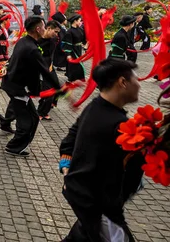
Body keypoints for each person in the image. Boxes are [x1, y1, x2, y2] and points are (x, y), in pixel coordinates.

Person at [59, 59, 143, 241]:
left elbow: (71, 137)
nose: (139, 85)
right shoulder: (118, 125)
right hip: (98, 205)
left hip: (84, 197)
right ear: (122, 82)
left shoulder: (96, 106)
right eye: (137, 79)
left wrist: (66, 163)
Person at [0, 16, 61, 156]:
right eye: (44, 27)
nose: (45, 29)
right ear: (38, 29)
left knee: (29, 115)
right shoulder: (32, 48)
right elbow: (45, 71)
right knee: (29, 118)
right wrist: (59, 88)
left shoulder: (24, 41)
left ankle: (14, 141)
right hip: (17, 88)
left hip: (13, 85)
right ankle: (14, 146)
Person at [36, 20, 62, 120]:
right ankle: (40, 112)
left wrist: (51, 63)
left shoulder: (54, 39)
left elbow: (52, 53)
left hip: (49, 66)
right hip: (40, 67)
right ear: (48, 28)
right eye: (55, 31)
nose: (56, 34)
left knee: (57, 89)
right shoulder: (37, 39)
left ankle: (46, 107)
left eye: (58, 32)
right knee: (48, 92)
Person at [63, 14, 86, 82]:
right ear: (75, 21)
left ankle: (79, 78)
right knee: (73, 64)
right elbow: (67, 44)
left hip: (79, 48)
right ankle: (71, 78)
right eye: (79, 21)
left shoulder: (81, 29)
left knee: (79, 63)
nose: (80, 22)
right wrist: (68, 54)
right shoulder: (69, 32)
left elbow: (84, 38)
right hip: (72, 50)